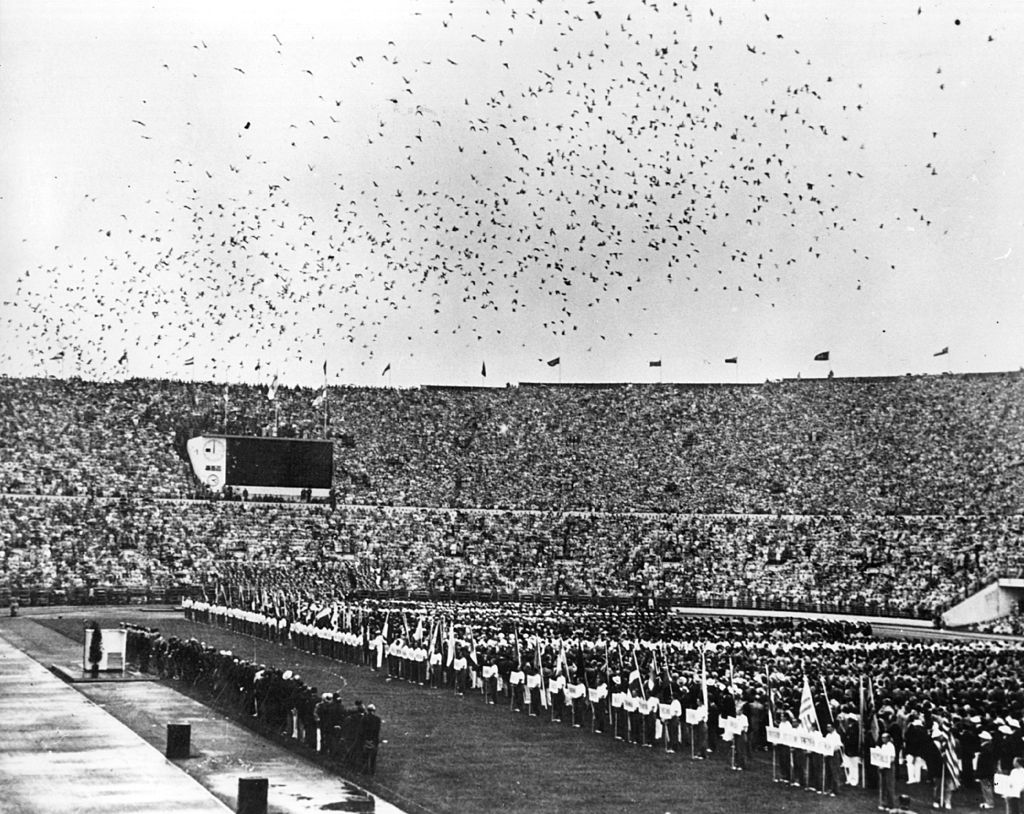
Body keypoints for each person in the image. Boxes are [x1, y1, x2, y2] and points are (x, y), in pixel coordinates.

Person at [824, 722, 845, 797]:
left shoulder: (837, 736)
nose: (828, 728)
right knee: (828, 771)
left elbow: (838, 746)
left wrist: (830, 750)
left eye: (829, 727)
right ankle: (829, 788)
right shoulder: (828, 735)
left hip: (834, 755)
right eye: (827, 727)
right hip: (828, 755)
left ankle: (835, 790)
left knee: (835, 772)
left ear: (833, 727)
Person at [877, 732, 897, 810]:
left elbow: (892, 758)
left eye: (884, 738)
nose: (883, 739)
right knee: (883, 785)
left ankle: (890, 804)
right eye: (882, 738)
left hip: (889, 767)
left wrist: (885, 764)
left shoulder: (891, 746)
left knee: (889, 785)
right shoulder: (883, 746)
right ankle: (883, 803)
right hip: (883, 767)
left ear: (888, 738)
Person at [361, 703, 382, 776]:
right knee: (373, 758)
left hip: (366, 739)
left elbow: (362, 730)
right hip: (374, 740)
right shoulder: (377, 719)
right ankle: (372, 772)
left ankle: (364, 771)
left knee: (365, 757)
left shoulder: (364, 718)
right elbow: (377, 731)